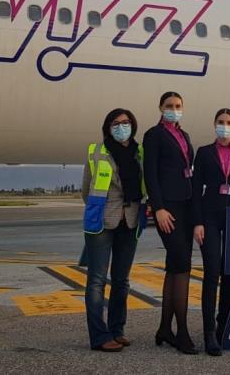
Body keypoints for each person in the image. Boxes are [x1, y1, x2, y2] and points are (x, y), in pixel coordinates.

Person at [81, 108, 147, 353]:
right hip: (101, 222)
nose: (122, 127)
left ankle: (117, 330)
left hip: (130, 221)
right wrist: (103, 208)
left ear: (133, 125)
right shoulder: (96, 151)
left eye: (126, 122)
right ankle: (99, 336)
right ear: (108, 127)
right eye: (116, 123)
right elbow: (86, 189)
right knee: (96, 281)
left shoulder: (139, 153)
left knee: (122, 281)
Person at [192, 108, 230, 356]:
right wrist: (197, 222)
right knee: (212, 272)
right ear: (214, 124)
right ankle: (208, 333)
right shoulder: (205, 152)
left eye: (229, 123)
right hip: (210, 216)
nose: (225, 126)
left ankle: (223, 326)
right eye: (221, 122)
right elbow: (196, 189)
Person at [142, 91, 198, 355]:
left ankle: (165, 327)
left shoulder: (184, 135)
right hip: (169, 208)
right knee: (182, 267)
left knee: (174, 267)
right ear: (160, 108)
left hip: (186, 207)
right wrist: (159, 207)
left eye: (177, 106)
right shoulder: (154, 135)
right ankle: (183, 332)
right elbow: (150, 174)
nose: (173, 109)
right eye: (169, 106)